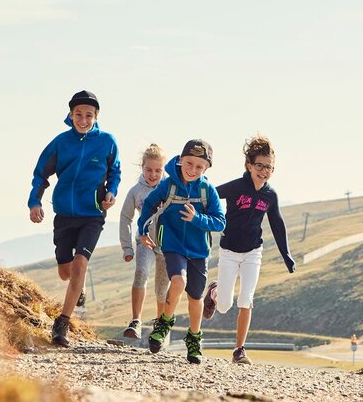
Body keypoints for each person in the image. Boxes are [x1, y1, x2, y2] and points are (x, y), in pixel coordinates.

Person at [27, 90, 120, 348]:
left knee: (80, 264)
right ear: (70, 115)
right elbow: (40, 174)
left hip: (92, 215)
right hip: (65, 214)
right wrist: (34, 202)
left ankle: (62, 323)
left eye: (88, 115)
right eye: (78, 114)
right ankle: (78, 289)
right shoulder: (60, 142)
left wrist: (111, 192)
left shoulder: (107, 142)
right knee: (65, 272)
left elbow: (115, 172)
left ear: (96, 116)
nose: (83, 119)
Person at [203, 135, 295, 364]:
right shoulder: (236, 187)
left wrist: (287, 255)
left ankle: (239, 350)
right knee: (224, 306)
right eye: (260, 166)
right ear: (249, 165)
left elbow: (277, 223)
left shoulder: (270, 195)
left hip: (253, 252)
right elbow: (209, 194)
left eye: (269, 168)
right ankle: (214, 292)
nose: (264, 171)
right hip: (229, 252)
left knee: (246, 299)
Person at [137, 139, 226, 364]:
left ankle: (194, 339)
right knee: (178, 282)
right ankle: (165, 322)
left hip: (199, 251)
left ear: (206, 169)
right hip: (173, 244)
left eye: (199, 166)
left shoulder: (208, 191)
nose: (192, 170)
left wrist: (197, 218)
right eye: (189, 163)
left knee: (195, 298)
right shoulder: (168, 185)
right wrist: (142, 229)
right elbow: (149, 204)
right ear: (180, 160)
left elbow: (220, 222)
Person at [118, 144, 171, 339]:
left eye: (158, 170)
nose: (153, 174)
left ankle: (160, 327)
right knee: (141, 273)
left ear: (164, 170)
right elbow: (125, 218)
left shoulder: (171, 188)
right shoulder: (135, 191)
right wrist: (127, 247)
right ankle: (136, 321)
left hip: (167, 244)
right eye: (149, 170)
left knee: (161, 288)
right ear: (142, 167)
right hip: (145, 241)